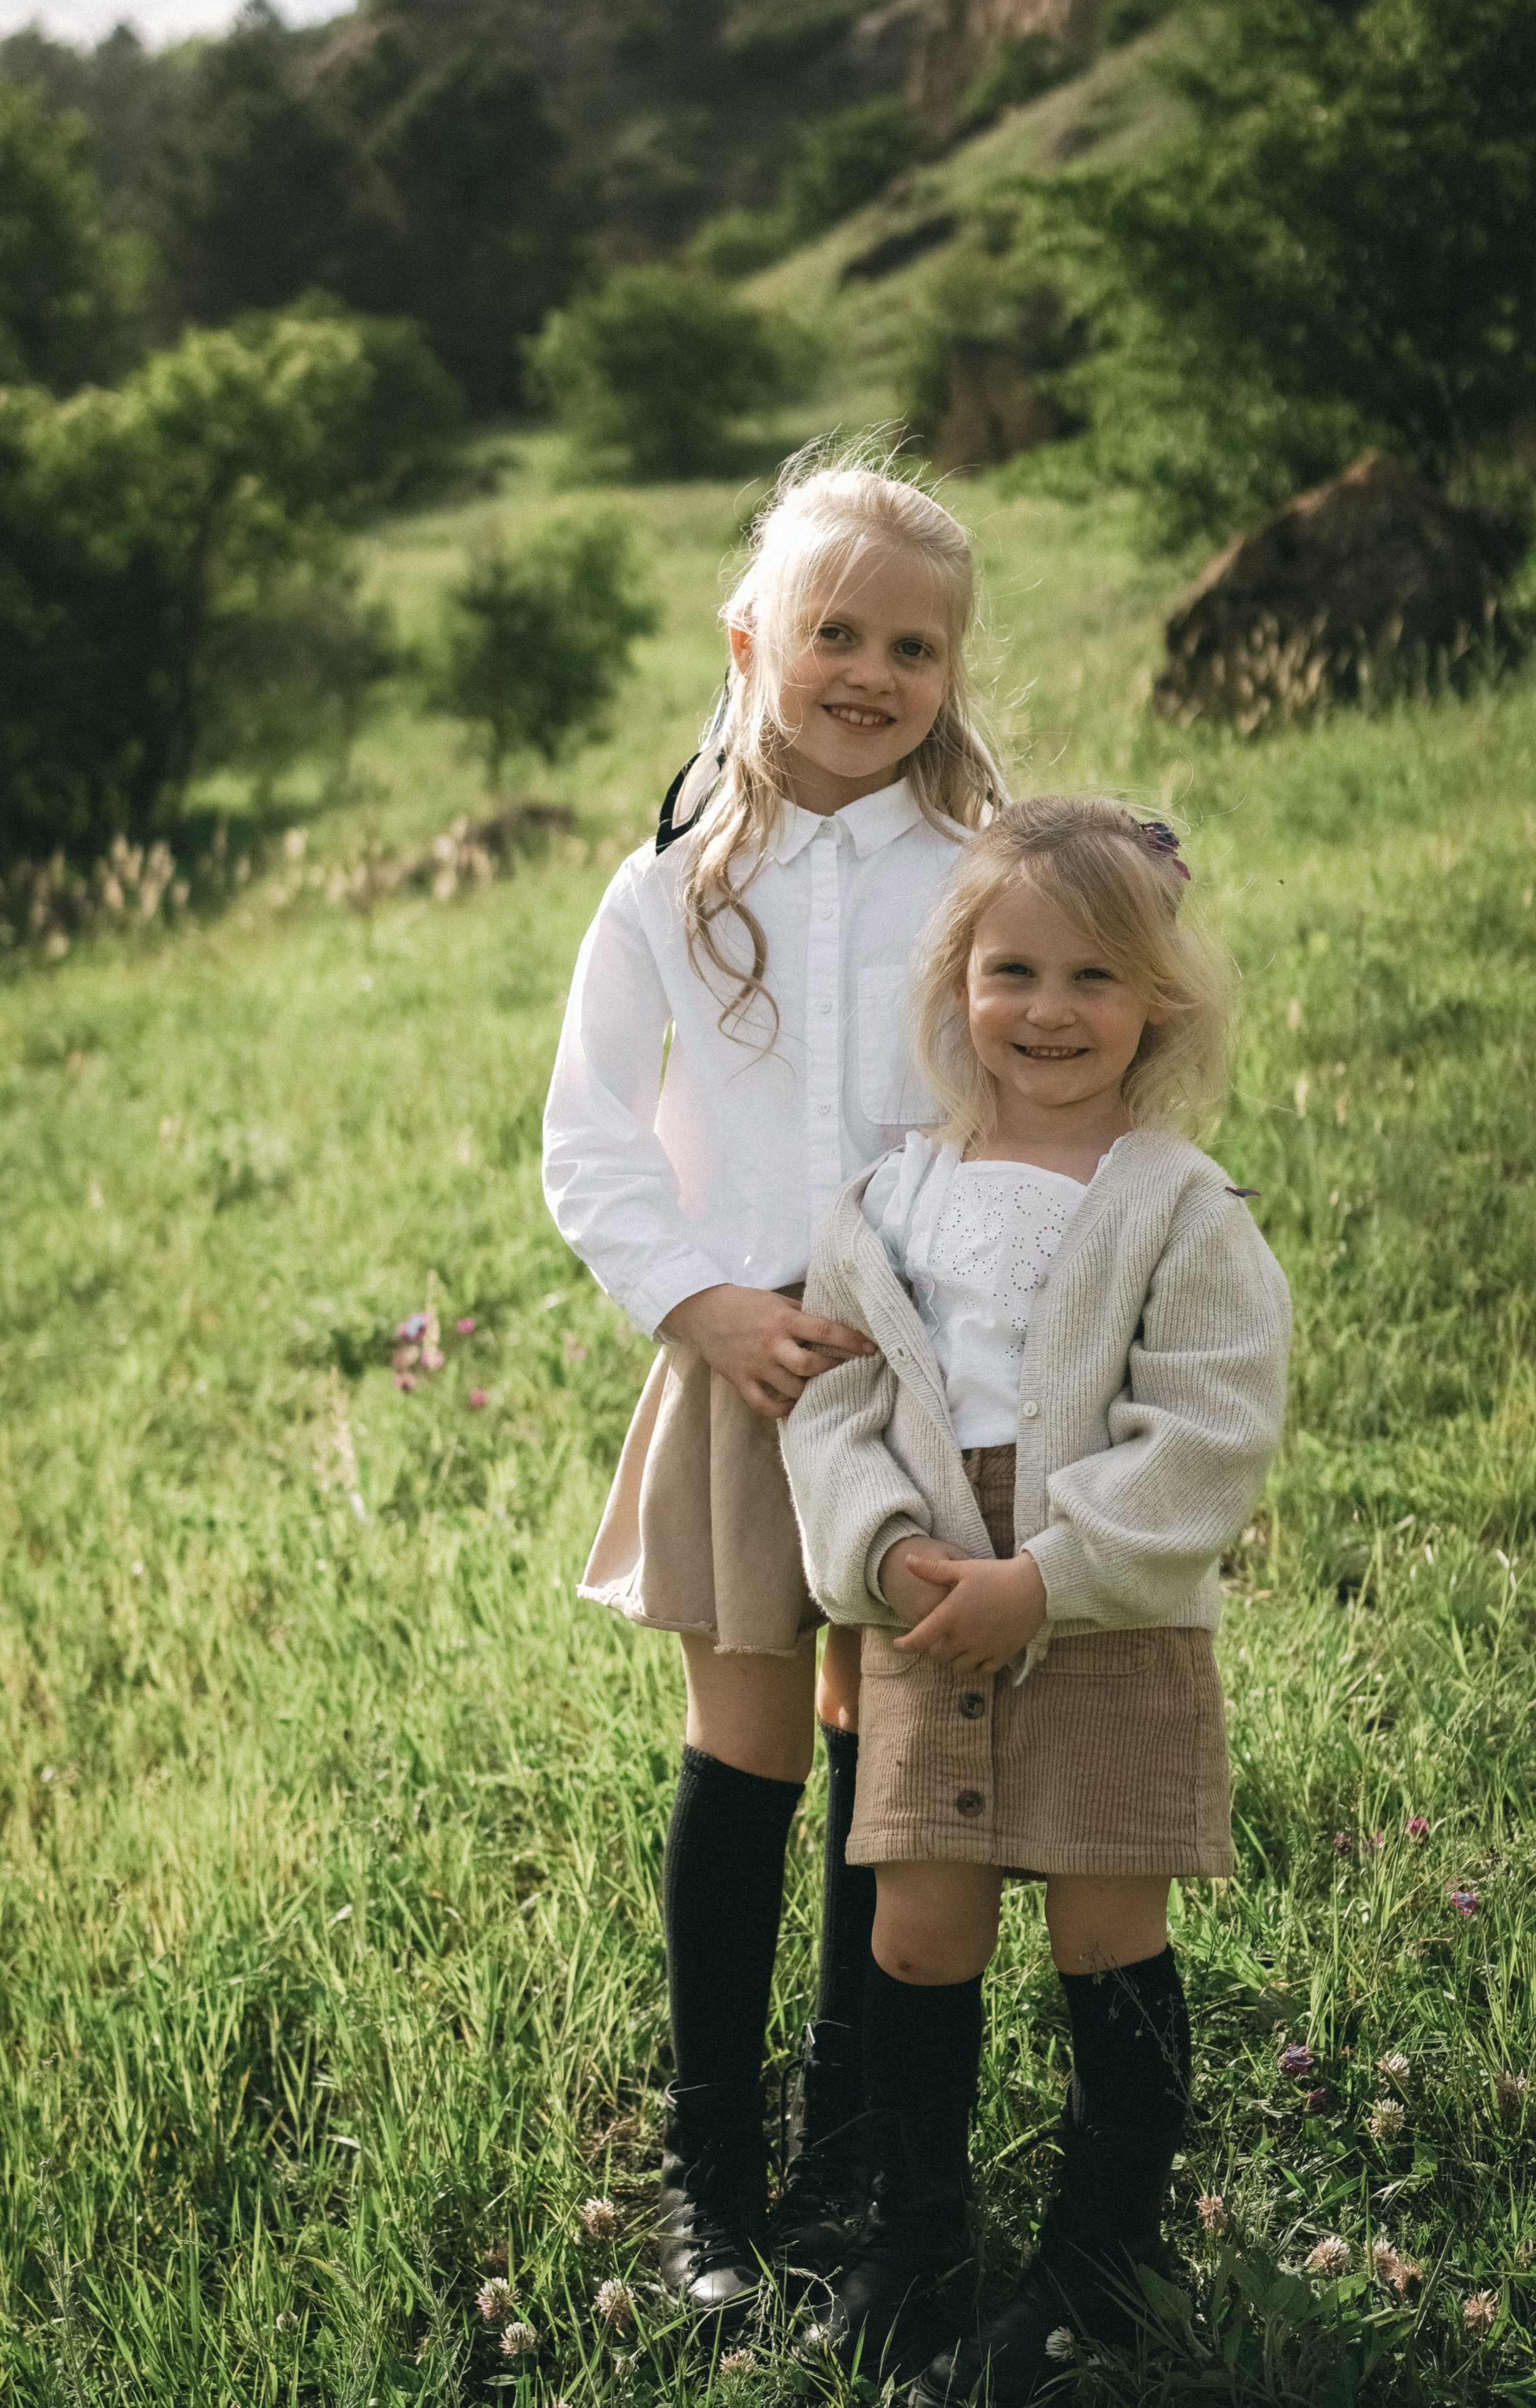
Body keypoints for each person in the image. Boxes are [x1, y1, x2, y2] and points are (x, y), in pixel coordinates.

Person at [541, 442, 1007, 2327]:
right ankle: (712, 2186)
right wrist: (704, 1310)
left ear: (951, 675)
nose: (871, 671)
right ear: (749, 642)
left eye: (913, 645)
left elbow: (1051, 1074)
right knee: (744, 1756)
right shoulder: (667, 890)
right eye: (833, 630)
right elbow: (588, 1146)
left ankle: (850, 2151)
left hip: (922, 1390)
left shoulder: (980, 875)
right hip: (744, 1372)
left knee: (883, 1761)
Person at [780, 795, 1293, 2398]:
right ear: (955, 989)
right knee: (920, 1933)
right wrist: (880, 1550)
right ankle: (921, 2234)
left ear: (1157, 1002)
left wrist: (1053, 1573)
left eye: (1092, 977)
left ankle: (1099, 2259)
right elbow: (830, 1407)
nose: (1049, 1012)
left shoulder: (1173, 1202)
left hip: (1108, 1611)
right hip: (931, 1605)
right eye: (1013, 971)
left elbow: (1209, 1422)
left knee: (1100, 1925)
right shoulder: (888, 1205)